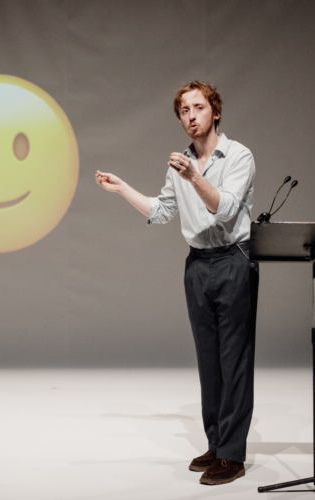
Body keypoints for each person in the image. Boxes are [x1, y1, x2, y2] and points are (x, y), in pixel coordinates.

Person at [95, 81, 258, 486]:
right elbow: (161, 210)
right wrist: (122, 189)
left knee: (233, 360)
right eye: (184, 110)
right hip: (198, 264)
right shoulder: (181, 161)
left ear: (215, 112)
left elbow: (225, 209)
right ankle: (217, 444)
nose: (191, 116)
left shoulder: (238, 156)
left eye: (199, 107)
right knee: (208, 361)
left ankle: (234, 456)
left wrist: (194, 177)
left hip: (233, 260)